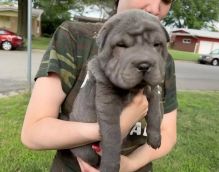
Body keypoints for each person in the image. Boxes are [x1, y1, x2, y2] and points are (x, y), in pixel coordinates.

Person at [21, 0, 178, 171]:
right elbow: (33, 133)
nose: (156, 8)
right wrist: (111, 128)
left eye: (166, 0)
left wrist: (131, 164)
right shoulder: (74, 37)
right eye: (123, 45)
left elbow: (167, 133)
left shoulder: (164, 59)